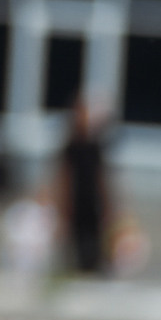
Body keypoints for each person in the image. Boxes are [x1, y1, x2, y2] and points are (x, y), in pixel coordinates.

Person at [57, 96, 115, 278]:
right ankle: (77, 267)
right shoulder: (71, 147)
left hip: (92, 200)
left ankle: (95, 265)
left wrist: (108, 203)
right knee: (76, 236)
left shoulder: (95, 146)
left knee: (95, 235)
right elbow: (64, 177)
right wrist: (62, 203)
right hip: (76, 200)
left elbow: (101, 177)